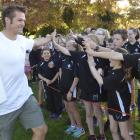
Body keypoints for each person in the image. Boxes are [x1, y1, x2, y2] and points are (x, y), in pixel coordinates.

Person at [0, 5, 52, 140]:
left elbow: (35, 42)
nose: (23, 23)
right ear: (7, 20)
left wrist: (48, 39)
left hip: (24, 96)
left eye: (24, 20)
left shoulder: (22, 40)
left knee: (41, 130)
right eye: (19, 20)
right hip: (4, 105)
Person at [52, 30, 106, 140]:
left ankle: (102, 134)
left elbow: (104, 68)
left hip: (96, 89)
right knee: (88, 113)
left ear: (94, 43)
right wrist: (54, 42)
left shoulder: (99, 56)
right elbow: (65, 50)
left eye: (89, 40)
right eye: (86, 40)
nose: (87, 42)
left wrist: (101, 70)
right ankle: (92, 135)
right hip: (85, 89)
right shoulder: (80, 55)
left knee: (98, 113)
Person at [87, 47, 133, 140]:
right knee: (113, 130)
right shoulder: (114, 70)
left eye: (111, 56)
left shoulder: (118, 74)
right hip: (112, 105)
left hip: (120, 108)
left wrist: (91, 66)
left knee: (124, 134)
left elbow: (101, 82)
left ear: (119, 60)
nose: (109, 58)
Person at [38, 48, 63, 119]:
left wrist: (52, 80)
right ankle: (52, 111)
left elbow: (58, 72)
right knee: (49, 98)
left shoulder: (53, 62)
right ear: (42, 55)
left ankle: (59, 112)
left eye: (48, 53)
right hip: (46, 85)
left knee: (57, 98)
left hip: (55, 84)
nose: (46, 55)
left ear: (50, 54)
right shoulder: (40, 64)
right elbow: (39, 74)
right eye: (44, 53)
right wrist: (45, 80)